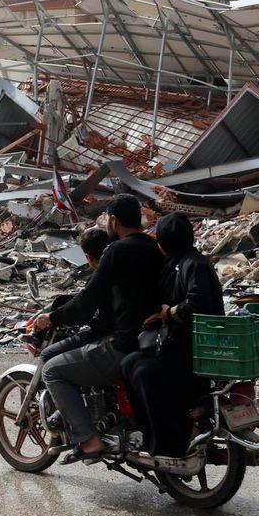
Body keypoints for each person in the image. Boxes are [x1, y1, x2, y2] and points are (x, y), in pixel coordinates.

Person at [33, 195, 162, 464]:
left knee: (53, 370)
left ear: (114, 221)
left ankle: (89, 441)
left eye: (107, 221)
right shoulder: (154, 247)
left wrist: (54, 317)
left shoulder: (115, 252)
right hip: (152, 340)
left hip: (122, 344)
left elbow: (88, 300)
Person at [121, 212, 223, 457]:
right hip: (180, 342)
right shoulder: (180, 261)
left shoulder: (192, 264)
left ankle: (170, 443)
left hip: (194, 347)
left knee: (144, 372)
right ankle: (147, 434)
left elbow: (197, 302)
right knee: (127, 364)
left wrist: (169, 313)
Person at [39, 227, 112, 363]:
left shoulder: (101, 274)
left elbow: (83, 305)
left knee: (47, 355)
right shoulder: (118, 266)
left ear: (88, 257)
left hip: (106, 333)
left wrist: (52, 317)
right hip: (119, 331)